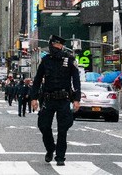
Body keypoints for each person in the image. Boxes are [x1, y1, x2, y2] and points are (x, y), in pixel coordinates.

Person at [30, 35, 81, 166]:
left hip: (64, 99)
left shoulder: (69, 59)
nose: (57, 47)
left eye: (59, 45)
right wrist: (34, 98)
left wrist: (76, 99)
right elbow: (37, 80)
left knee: (62, 129)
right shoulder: (45, 60)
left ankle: (60, 157)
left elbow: (76, 81)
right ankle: (50, 148)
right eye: (55, 45)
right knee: (44, 126)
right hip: (48, 98)